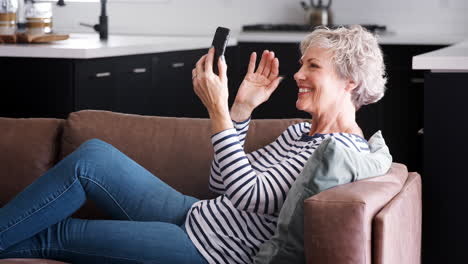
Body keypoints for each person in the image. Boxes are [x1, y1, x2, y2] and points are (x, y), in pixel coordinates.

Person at [0, 25, 386, 264]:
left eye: (312, 67)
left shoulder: (334, 153)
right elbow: (223, 185)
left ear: (349, 81)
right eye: (302, 64)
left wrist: (217, 108)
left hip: (212, 250)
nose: (298, 74)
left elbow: (249, 193)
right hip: (199, 214)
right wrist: (239, 108)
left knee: (59, 234)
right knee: (92, 157)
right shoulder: (299, 133)